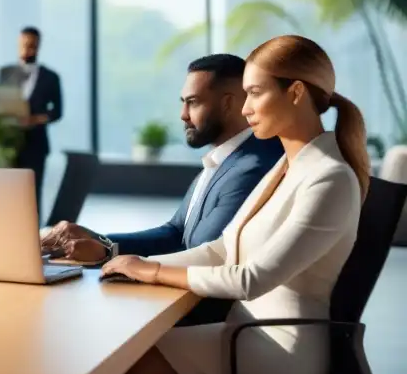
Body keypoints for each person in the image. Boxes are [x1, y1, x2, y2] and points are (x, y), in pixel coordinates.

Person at [92, 35, 368, 374]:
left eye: (255, 93)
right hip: (246, 336)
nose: (244, 108)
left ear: (295, 92)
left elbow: (250, 279)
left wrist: (155, 271)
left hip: (282, 356)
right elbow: (224, 248)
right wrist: (135, 264)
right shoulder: (287, 165)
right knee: (126, 364)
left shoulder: (329, 179)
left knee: (131, 371)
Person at [42, 54, 284, 265]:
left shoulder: (252, 167)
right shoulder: (223, 160)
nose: (183, 115)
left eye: (193, 102)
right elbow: (175, 232)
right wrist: (94, 238)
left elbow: (202, 252)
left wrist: (107, 251)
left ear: (228, 104)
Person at [0, 26, 63, 219]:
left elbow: (57, 112)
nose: (28, 49)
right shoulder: (5, 73)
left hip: (36, 144)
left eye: (32, 45)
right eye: (24, 45)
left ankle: (34, 237)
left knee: (33, 194)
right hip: (8, 143)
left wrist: (34, 119)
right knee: (7, 192)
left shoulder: (51, 77)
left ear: (39, 46)